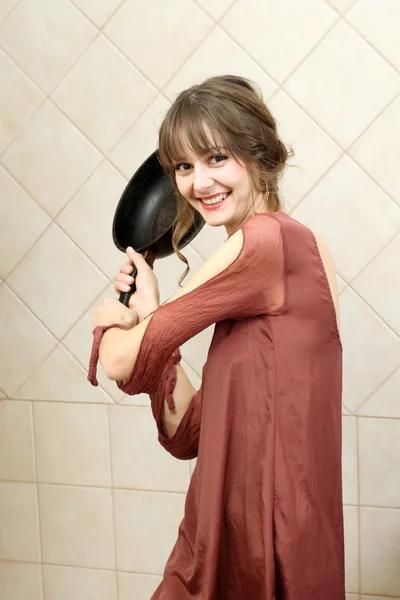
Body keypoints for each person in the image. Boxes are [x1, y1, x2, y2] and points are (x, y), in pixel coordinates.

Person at [88, 75, 345, 599]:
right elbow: (192, 431)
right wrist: (152, 313)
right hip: (260, 524)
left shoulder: (263, 242)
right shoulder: (301, 244)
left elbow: (117, 363)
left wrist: (112, 322)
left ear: (259, 154)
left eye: (217, 158)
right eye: (184, 166)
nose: (198, 183)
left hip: (263, 540)